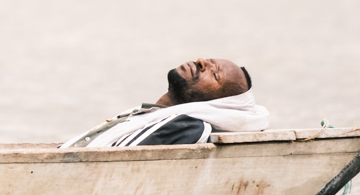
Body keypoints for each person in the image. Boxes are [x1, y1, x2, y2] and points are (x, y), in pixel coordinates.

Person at [60, 57, 269, 148]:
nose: (200, 62)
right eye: (208, 60)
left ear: (218, 102)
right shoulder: (149, 114)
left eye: (214, 74)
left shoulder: (186, 126)